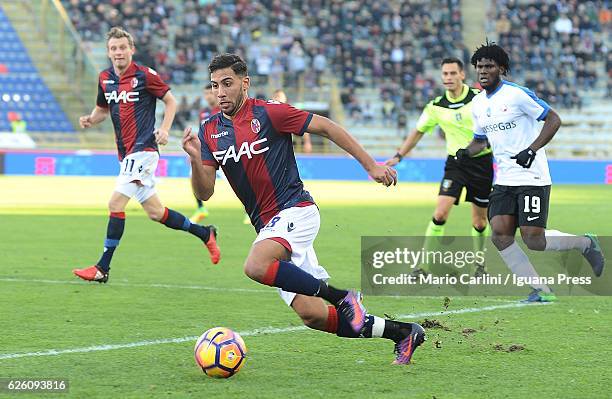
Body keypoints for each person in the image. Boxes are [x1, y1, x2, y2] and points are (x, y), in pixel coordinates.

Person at [182, 53, 425, 364]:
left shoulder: (270, 113)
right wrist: (193, 158)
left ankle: (343, 297)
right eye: (215, 85)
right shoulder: (210, 130)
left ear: (245, 83)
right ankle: (403, 334)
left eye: (227, 84)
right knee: (312, 315)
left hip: (296, 209)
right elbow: (205, 190)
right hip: (271, 228)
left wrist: (371, 166)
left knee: (256, 266)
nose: (220, 92)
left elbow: (327, 127)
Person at [456, 42, 605, 302]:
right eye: (479, 67)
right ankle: (541, 290)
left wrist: (532, 149)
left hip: (532, 176)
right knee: (500, 235)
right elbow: (480, 140)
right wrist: (465, 152)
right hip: (504, 179)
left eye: (489, 66)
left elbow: (554, 119)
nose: (482, 71)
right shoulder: (478, 104)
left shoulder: (517, 94)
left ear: (501, 69)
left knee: (533, 239)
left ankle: (585, 243)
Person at [72, 27, 220, 283]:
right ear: (109, 52)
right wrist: (90, 119)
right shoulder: (105, 78)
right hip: (127, 154)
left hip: (144, 150)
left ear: (131, 50)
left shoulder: (144, 75)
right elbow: (102, 110)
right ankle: (205, 233)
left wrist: (163, 129)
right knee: (156, 212)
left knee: (115, 204)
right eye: (113, 48)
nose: (118, 52)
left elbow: (171, 100)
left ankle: (102, 268)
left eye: (122, 47)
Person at [386, 58, 491, 273]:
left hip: (482, 163)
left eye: (453, 73)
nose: (449, 78)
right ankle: (422, 265)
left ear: (462, 75)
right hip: (455, 164)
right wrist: (399, 155)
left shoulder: (480, 98)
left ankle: (480, 264)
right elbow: (418, 131)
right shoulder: (435, 107)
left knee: (480, 222)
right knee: (440, 213)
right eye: (445, 74)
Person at [190, 83, 220, 223]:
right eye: (206, 94)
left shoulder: (224, 109)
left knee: (241, 180)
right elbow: (201, 133)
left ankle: (248, 211)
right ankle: (201, 208)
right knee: (194, 175)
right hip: (208, 153)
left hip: (224, 152)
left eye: (211, 93)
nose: (209, 96)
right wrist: (195, 151)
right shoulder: (203, 112)